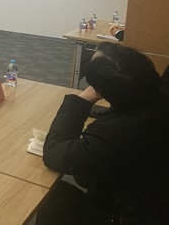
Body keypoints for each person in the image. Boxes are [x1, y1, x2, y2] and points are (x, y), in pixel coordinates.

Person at [38, 43, 169, 225]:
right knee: (85, 178)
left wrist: (85, 98)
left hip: (136, 215)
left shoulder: (115, 132)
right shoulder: (159, 99)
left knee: (53, 199)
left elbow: (54, 153)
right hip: (153, 195)